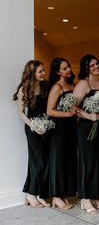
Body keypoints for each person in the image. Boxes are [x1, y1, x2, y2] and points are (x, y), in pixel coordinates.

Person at [13, 60, 50, 208]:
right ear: (32, 73)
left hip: (46, 127)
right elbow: (21, 113)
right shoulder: (24, 89)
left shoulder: (44, 86)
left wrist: (45, 125)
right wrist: (34, 126)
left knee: (43, 161)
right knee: (39, 161)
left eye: (43, 70)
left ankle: (38, 194)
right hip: (32, 128)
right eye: (40, 71)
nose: (43, 73)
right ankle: (31, 194)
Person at [73, 54, 99, 214]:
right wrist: (88, 115)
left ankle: (95, 196)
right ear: (86, 68)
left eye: (97, 64)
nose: (96, 67)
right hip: (87, 127)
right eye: (92, 65)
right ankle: (85, 198)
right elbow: (73, 108)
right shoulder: (83, 84)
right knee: (87, 161)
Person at [47, 57, 77, 210]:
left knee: (68, 160)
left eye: (68, 67)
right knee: (58, 161)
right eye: (64, 68)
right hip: (59, 128)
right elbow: (49, 110)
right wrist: (67, 114)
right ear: (58, 71)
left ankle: (64, 194)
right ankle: (56, 196)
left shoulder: (73, 85)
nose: (68, 70)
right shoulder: (57, 87)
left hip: (72, 128)